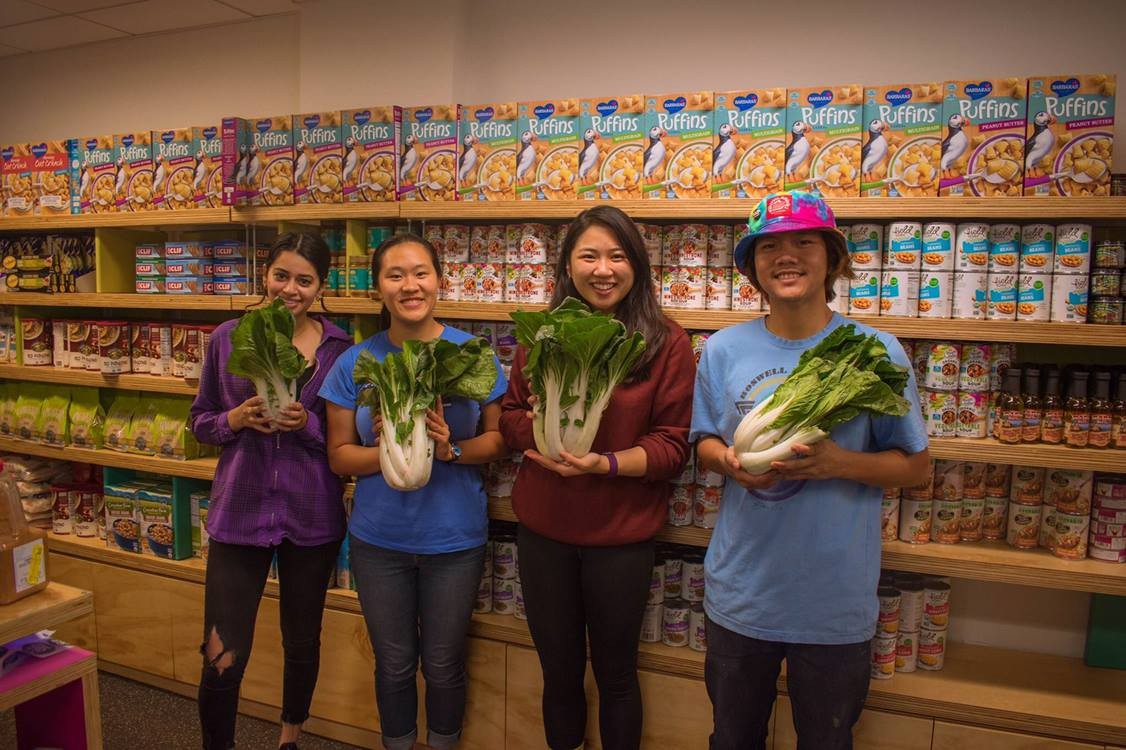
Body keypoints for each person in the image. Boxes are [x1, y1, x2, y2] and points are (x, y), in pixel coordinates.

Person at [690, 191, 931, 750]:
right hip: (741, 591)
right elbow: (702, 440)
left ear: (833, 259)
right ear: (752, 267)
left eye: (804, 242)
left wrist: (837, 463)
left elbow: (917, 468)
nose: (786, 256)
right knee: (731, 738)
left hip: (832, 600)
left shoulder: (877, 351)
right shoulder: (723, 349)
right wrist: (728, 462)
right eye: (769, 246)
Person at [499, 205, 695, 750]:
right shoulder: (543, 332)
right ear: (568, 265)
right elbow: (510, 418)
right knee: (558, 675)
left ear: (636, 265)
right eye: (588, 255)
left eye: (617, 255)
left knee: (616, 677)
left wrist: (602, 463)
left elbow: (672, 447)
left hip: (621, 539)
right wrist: (539, 423)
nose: (602, 269)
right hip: (544, 533)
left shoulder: (666, 342)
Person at [321, 232, 507, 750]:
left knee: (445, 663)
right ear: (378, 287)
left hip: (454, 538)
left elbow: (498, 441)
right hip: (380, 540)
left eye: (421, 273)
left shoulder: (472, 354)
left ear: (440, 281)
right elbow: (339, 456)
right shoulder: (355, 362)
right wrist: (390, 449)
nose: (410, 285)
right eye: (395, 275)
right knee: (395, 662)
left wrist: (447, 448)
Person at [190, 232, 352, 750]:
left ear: (321, 286)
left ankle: (290, 738)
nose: (291, 289)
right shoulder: (228, 337)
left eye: (305, 280)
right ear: (265, 274)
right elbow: (198, 422)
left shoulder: (339, 349)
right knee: (222, 648)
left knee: (302, 640)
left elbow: (349, 440)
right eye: (281, 275)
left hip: (312, 516)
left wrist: (305, 423)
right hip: (240, 512)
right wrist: (233, 420)